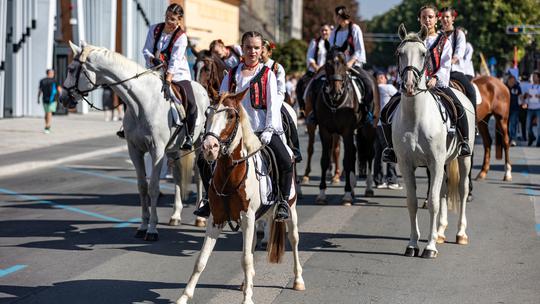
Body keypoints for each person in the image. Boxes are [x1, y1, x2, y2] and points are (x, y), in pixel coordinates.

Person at [194, 31, 292, 222]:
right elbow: (221, 104)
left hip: (261, 128)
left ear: (262, 49)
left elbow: (273, 105)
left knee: (286, 161)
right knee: (203, 160)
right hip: (233, 133)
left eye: (256, 48)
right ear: (242, 48)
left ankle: (282, 201)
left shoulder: (267, 74)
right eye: (248, 47)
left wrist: (270, 129)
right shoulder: (231, 74)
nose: (252, 51)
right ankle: (208, 199)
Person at [382, 4, 472, 163]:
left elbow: (445, 65)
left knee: (457, 106)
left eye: (430, 17)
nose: (427, 20)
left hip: (436, 83)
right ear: (419, 19)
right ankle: (391, 148)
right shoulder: (412, 39)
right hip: (414, 84)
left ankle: (464, 141)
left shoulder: (444, 40)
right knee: (386, 112)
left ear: (436, 19)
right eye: (424, 17)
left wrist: (435, 78)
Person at [137, 3, 194, 149]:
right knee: (133, 90)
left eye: (172, 19)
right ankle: (128, 126)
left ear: (179, 20)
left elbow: (175, 60)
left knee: (192, 103)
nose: (168, 22)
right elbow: (146, 50)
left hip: (178, 74)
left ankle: (189, 135)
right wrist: (151, 59)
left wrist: (168, 80)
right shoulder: (154, 29)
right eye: (167, 17)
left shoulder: (181, 37)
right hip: (154, 70)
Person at [261, 39, 302, 163]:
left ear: (269, 53)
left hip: (275, 101)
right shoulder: (253, 67)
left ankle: (294, 148)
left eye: (262, 51)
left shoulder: (277, 67)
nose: (258, 54)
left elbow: (280, 91)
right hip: (258, 102)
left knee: (287, 117)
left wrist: (273, 105)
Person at [329, 5, 373, 111]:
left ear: (339, 16)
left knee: (368, 84)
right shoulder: (335, 32)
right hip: (337, 68)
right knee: (318, 82)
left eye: (335, 16)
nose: (334, 18)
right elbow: (331, 49)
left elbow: (359, 49)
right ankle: (314, 113)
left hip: (352, 66)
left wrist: (350, 63)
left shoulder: (355, 29)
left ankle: (368, 112)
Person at [439, 7, 476, 107]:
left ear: (453, 19)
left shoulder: (459, 34)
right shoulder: (437, 35)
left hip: (454, 71)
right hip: (437, 72)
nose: (445, 19)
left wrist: (448, 63)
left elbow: (459, 53)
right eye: (442, 17)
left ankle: (473, 120)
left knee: (471, 91)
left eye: (447, 17)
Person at [374, 72, 402, 190]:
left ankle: (378, 180)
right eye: (381, 77)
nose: (383, 78)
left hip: (376, 124)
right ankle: (392, 180)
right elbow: (400, 97)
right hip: (386, 125)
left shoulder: (373, 90)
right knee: (390, 150)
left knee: (378, 153)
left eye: (383, 76)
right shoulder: (388, 87)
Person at [298, 23, 331, 116]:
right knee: (301, 84)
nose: (324, 32)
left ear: (330, 31)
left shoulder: (334, 43)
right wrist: (316, 67)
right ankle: (303, 108)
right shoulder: (315, 42)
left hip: (329, 72)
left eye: (326, 30)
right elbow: (310, 57)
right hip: (315, 71)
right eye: (322, 30)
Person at [38, 69, 61, 134]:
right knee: (49, 112)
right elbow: (59, 90)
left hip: (44, 99)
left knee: (46, 112)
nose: (53, 74)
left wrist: (38, 98)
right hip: (52, 100)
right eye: (52, 73)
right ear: (50, 73)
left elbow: (40, 90)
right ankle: (47, 126)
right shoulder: (54, 81)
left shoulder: (42, 81)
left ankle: (47, 125)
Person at [524, 71, 540, 147]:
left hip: (538, 109)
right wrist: (527, 95)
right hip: (530, 108)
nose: (533, 78)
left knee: (539, 126)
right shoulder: (529, 86)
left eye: (535, 76)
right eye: (533, 76)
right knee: (528, 125)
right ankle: (532, 137)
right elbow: (524, 96)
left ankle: (539, 142)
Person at [506, 74, 522, 146]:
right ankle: (507, 137)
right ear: (508, 80)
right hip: (506, 109)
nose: (513, 82)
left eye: (514, 80)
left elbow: (520, 96)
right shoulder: (505, 86)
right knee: (506, 124)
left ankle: (513, 139)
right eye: (511, 80)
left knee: (513, 124)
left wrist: (523, 102)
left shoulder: (517, 87)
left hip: (515, 108)